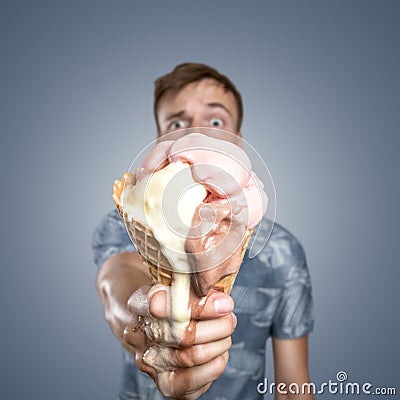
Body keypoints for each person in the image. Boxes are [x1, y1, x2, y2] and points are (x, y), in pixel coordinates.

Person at [92, 63, 314, 400]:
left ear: (237, 142)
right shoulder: (124, 223)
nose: (196, 133)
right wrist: (147, 322)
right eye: (177, 123)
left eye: (215, 121)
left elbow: (294, 386)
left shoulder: (282, 251)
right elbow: (117, 280)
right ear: (159, 141)